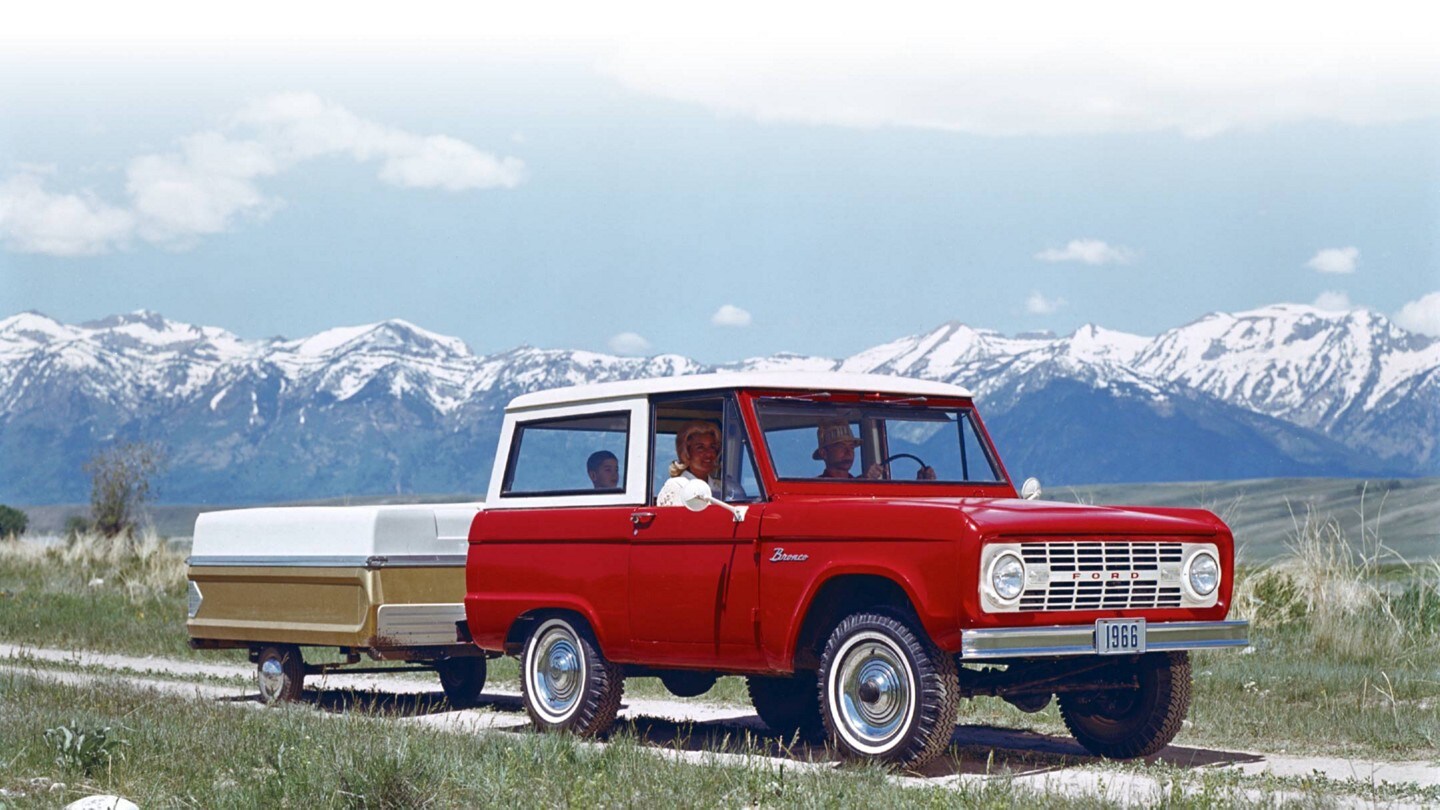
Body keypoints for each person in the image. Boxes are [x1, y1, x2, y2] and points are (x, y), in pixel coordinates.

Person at [813, 420, 936, 480]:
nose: (849, 451)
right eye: (841, 446)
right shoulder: (816, 489)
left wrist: (921, 484)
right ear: (824, 453)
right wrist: (865, 482)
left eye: (851, 447)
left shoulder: (862, 484)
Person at [657, 420, 722, 505]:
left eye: (712, 447)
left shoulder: (722, 488)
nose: (709, 453)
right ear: (686, 452)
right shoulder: (677, 487)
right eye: (700, 447)